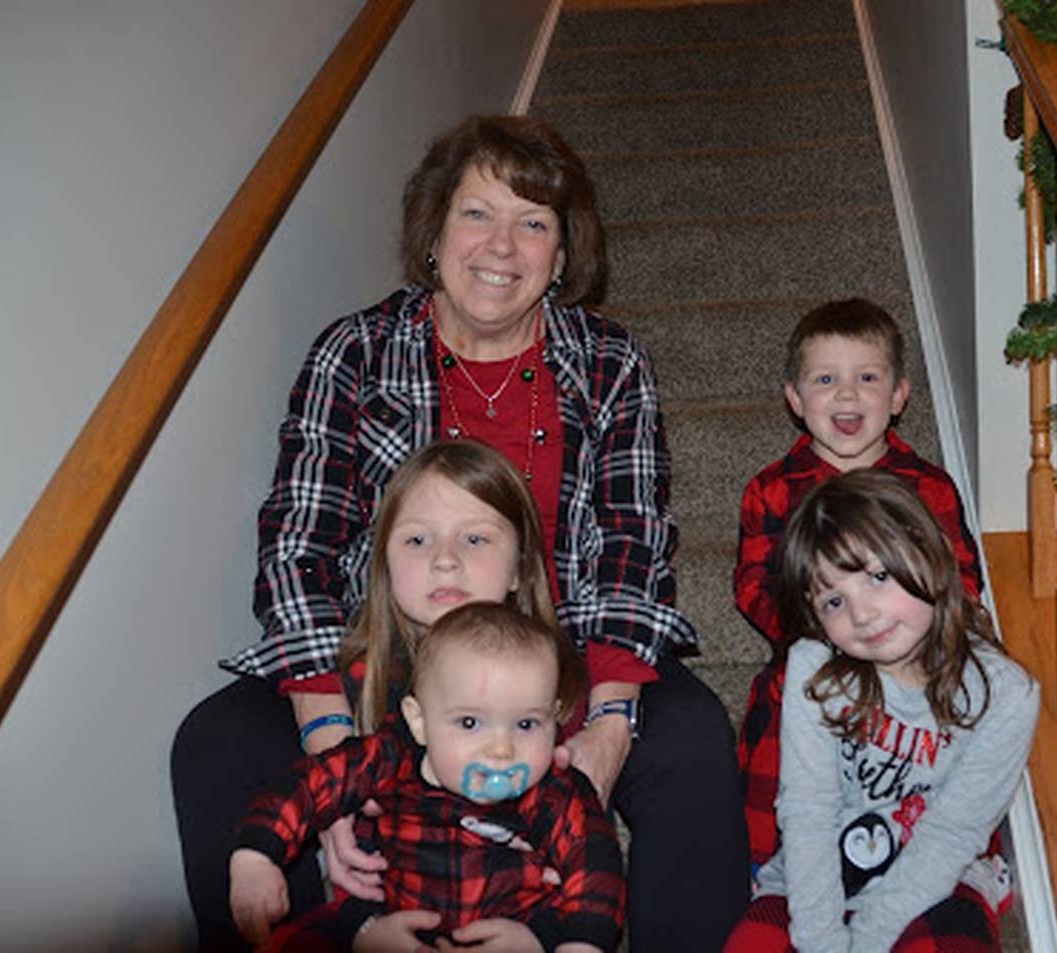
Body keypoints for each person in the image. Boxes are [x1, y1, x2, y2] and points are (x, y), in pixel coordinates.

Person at [172, 114, 747, 953]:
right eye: (478, 213)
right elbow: (299, 545)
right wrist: (331, 751)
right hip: (385, 655)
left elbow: (634, 542)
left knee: (690, 736)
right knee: (217, 742)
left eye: (535, 222)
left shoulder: (612, 364)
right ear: (434, 234)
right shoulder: (354, 353)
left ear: (562, 254)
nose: (502, 246)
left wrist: (611, 722)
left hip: (556, 647)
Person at [724, 471, 1039, 952]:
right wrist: (824, 944)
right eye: (834, 601)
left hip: (940, 880)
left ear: (931, 557)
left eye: (877, 577)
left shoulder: (1004, 695)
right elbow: (809, 814)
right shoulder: (816, 668)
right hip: (814, 882)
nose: (863, 614)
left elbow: (951, 836)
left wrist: (866, 944)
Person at [733, 298, 982, 870]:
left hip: (913, 669)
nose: (847, 395)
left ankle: (936, 856)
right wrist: (824, 634)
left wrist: (910, 642)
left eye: (867, 377)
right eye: (826, 379)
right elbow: (754, 583)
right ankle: (772, 864)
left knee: (950, 712)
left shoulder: (928, 487)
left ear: (898, 397)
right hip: (815, 662)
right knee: (781, 706)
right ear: (795, 399)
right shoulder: (772, 489)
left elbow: (960, 580)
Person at [230, 602, 624, 953]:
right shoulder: (388, 759)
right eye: (470, 722)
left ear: (553, 718)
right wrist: (255, 855)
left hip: (520, 932)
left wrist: (557, 939)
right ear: (418, 722)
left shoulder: (555, 791)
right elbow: (309, 785)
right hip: (390, 927)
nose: (502, 750)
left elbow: (595, 863)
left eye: (526, 724)